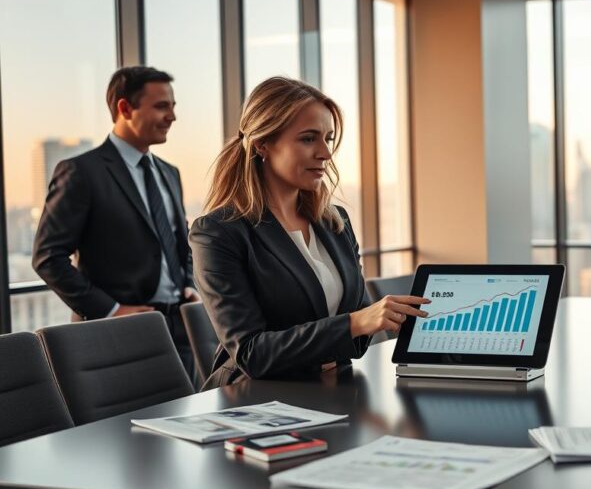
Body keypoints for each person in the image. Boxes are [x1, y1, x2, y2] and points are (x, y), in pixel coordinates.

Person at [190, 77, 428, 388]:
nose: (325, 153)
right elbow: (251, 353)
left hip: (330, 388)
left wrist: (371, 322)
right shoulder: (218, 233)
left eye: (328, 139)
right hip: (253, 401)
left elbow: (355, 335)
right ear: (262, 144)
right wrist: (355, 324)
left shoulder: (334, 223)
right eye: (307, 139)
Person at [33, 66, 198, 380]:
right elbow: (47, 257)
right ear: (125, 108)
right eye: (162, 106)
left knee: (181, 420)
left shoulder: (169, 172)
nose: (172, 116)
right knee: (122, 426)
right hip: (115, 333)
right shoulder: (82, 172)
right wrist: (110, 310)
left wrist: (188, 284)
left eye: (173, 107)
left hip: (178, 329)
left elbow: (181, 241)